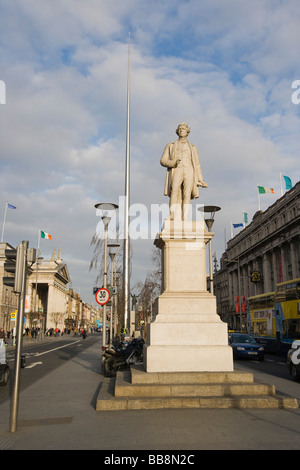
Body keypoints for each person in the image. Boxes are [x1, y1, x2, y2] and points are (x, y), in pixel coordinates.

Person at [160, 122, 207, 220]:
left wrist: (201, 180)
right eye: (180, 128)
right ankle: (172, 214)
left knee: (187, 194)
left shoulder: (193, 147)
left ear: (187, 132)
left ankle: (185, 217)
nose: (181, 130)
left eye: (183, 129)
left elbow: (197, 165)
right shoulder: (170, 145)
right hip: (177, 169)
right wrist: (173, 163)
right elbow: (163, 161)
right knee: (174, 191)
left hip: (189, 170)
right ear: (177, 131)